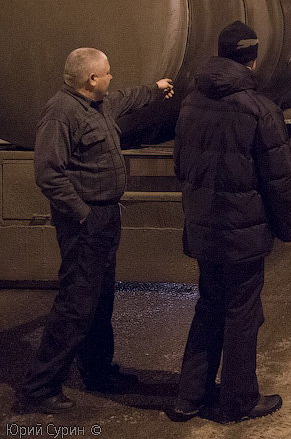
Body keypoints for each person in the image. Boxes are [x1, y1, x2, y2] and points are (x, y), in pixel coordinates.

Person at [15, 48, 174, 414]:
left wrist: (155, 88)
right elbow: (48, 173)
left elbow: (127, 98)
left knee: (101, 300)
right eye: (107, 72)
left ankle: (99, 372)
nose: (111, 77)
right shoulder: (61, 113)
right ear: (91, 80)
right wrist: (83, 214)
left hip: (105, 218)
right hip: (85, 223)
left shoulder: (99, 105)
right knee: (76, 304)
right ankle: (39, 388)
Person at [170, 21, 291, 424]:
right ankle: (239, 401)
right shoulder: (260, 109)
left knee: (208, 306)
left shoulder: (190, 103)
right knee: (242, 314)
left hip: (204, 229)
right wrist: (285, 228)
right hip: (243, 235)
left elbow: (180, 166)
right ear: (252, 58)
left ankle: (190, 397)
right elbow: (278, 181)